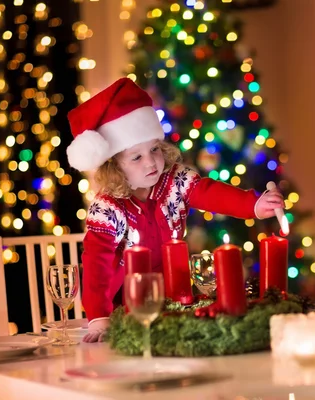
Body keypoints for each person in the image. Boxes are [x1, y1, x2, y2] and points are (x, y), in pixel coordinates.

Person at [66, 78, 284, 342]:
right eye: (137, 157)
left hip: (174, 294)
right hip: (126, 305)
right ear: (115, 167)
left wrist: (254, 205)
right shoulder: (108, 207)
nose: (151, 162)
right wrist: (99, 318)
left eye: (154, 149)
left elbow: (210, 192)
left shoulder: (174, 181)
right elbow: (96, 263)